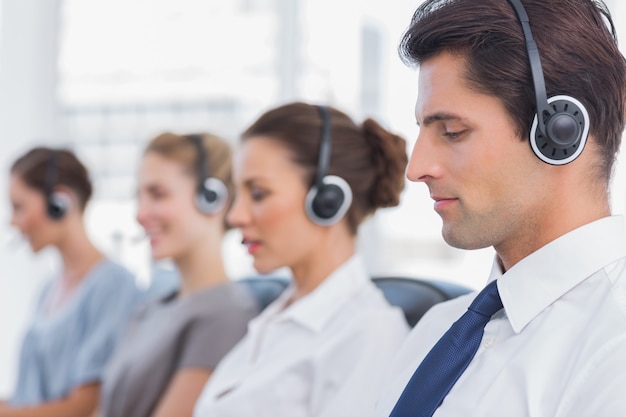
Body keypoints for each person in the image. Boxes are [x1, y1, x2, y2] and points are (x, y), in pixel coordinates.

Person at [371, 0, 626, 416]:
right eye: (423, 130)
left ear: (559, 132)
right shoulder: (436, 330)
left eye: (453, 132)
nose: (416, 169)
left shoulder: (614, 351)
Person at [192, 102, 411, 417]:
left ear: (327, 199)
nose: (235, 216)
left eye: (258, 194)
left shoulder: (367, 334)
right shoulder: (277, 317)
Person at [96, 132, 260, 417]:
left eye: (157, 194)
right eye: (139, 196)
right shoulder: (152, 308)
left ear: (212, 198)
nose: (140, 213)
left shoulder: (224, 314)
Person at [3, 147, 142, 417]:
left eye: (19, 207)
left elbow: (84, 406)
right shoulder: (48, 289)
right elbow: (28, 401)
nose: (13, 222)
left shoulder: (112, 285)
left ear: (60, 202)